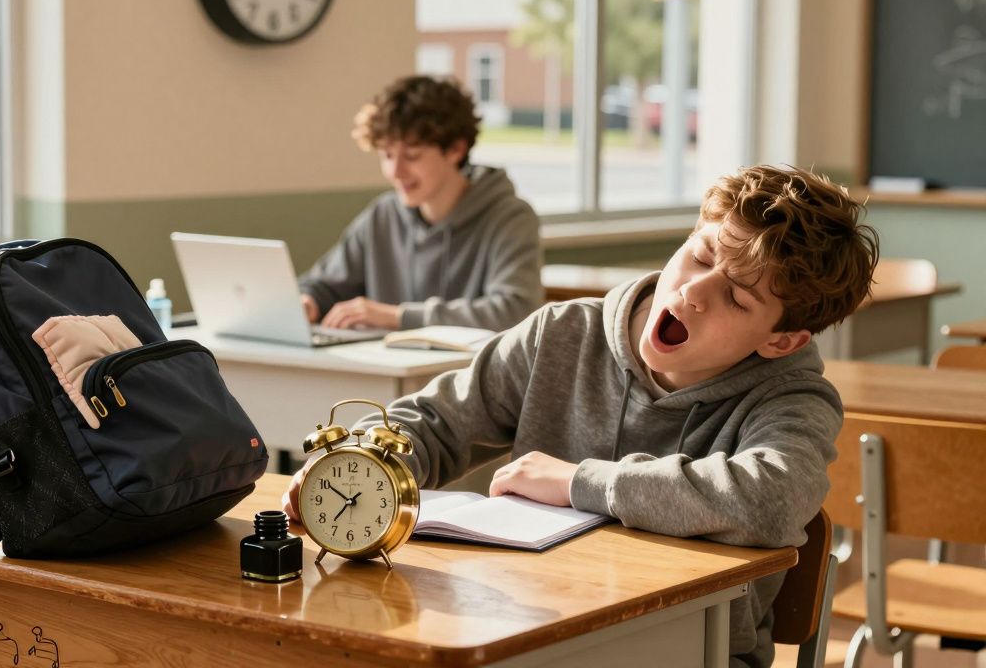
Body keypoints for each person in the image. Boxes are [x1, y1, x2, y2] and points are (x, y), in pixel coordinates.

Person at [283, 165, 880, 668]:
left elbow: (768, 499)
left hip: (687, 653)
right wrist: (354, 463)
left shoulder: (792, 400)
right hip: (529, 626)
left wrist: (578, 483)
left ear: (781, 341)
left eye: (738, 299)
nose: (695, 292)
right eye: (699, 256)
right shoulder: (562, 334)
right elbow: (433, 422)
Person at [298, 74, 542, 332]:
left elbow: (516, 313)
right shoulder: (383, 215)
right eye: (387, 155)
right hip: (387, 366)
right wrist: (307, 301)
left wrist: (399, 317)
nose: (395, 171)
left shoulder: (511, 218)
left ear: (456, 150)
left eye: (412, 156)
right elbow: (323, 285)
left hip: (468, 371)